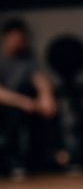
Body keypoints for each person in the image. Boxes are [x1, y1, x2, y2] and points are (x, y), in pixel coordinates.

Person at [0, 18, 57, 180]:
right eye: (16, 39)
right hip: (8, 105)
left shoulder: (28, 58)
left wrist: (46, 97)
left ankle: (51, 156)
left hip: (24, 104)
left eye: (22, 40)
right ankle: (11, 161)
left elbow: (39, 78)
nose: (20, 43)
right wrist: (23, 102)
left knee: (49, 107)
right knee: (14, 112)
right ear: (6, 38)